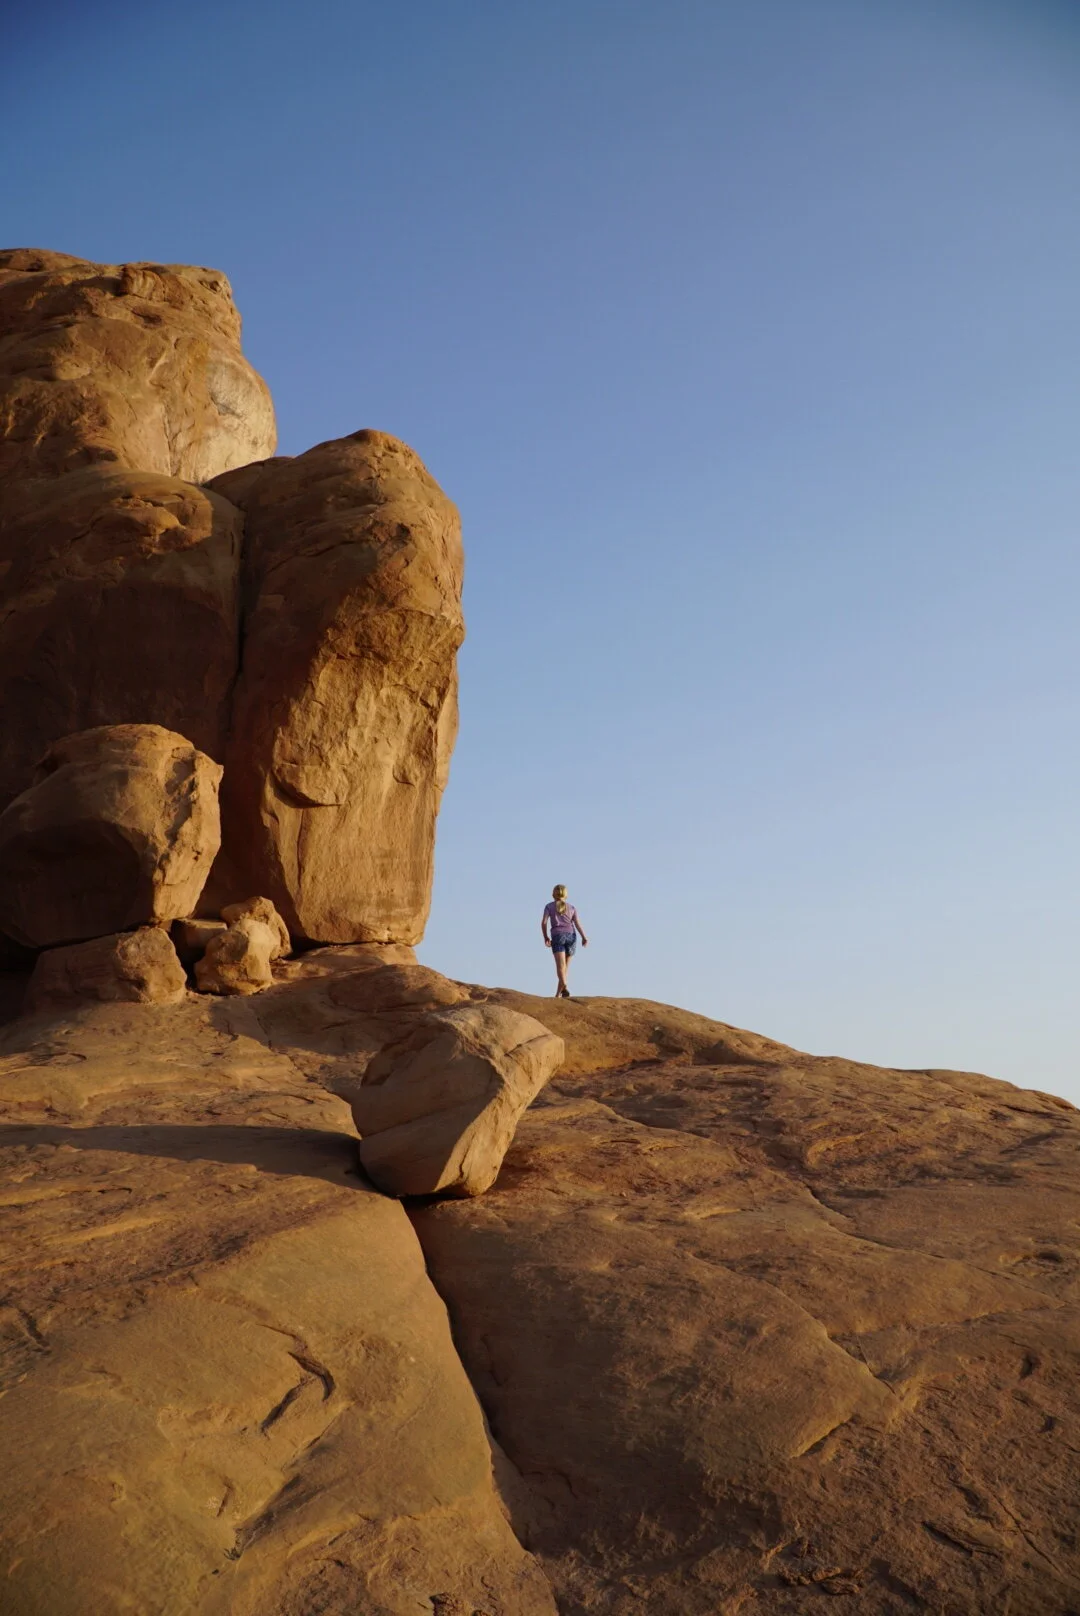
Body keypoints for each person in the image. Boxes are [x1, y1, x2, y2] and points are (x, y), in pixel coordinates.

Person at [541, 883, 588, 998]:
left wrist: (545, 936)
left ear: (553, 894)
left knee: (560, 967)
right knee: (565, 968)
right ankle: (558, 994)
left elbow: (544, 922)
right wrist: (584, 937)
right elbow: (577, 923)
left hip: (558, 936)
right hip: (571, 936)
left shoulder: (549, 906)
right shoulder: (571, 908)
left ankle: (565, 987)